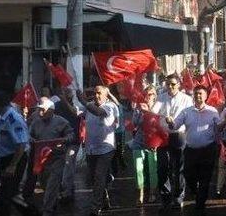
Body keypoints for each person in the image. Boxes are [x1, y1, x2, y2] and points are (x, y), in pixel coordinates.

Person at [170, 85, 219, 215]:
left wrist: (224, 124)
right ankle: (196, 191)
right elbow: (175, 125)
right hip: (191, 150)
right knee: (188, 175)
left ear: (206, 96)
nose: (198, 96)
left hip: (208, 149)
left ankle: (200, 204)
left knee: (205, 178)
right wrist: (170, 122)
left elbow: (219, 127)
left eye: (201, 94)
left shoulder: (213, 111)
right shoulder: (186, 111)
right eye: (196, 93)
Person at [152, 73, 193, 210]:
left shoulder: (186, 99)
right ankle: (165, 197)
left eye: (173, 84)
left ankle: (178, 197)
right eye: (168, 84)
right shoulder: (161, 97)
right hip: (163, 136)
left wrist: (174, 122)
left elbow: (188, 115)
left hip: (179, 135)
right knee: (163, 168)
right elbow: (154, 112)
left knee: (179, 168)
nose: (170, 87)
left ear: (179, 85)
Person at [77, 86, 119, 216]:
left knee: (98, 177)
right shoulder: (89, 105)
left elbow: (99, 112)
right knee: (98, 177)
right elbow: (77, 112)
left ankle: (95, 207)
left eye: (99, 93)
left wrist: (83, 101)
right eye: (95, 93)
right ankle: (104, 197)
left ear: (106, 95)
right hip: (91, 149)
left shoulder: (111, 106)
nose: (96, 95)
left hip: (106, 149)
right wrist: (66, 100)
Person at [29, 97, 74, 216]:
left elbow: (71, 135)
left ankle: (47, 210)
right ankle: (52, 201)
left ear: (51, 111)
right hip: (42, 159)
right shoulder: (36, 121)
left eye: (43, 110)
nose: (40, 112)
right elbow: (29, 135)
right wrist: (32, 140)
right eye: (39, 110)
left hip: (57, 157)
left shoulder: (62, 121)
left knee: (52, 183)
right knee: (44, 183)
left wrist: (64, 140)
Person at [0, 90, 30, 216]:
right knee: (12, 193)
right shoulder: (0, 117)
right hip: (5, 159)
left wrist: (13, 165)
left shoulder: (13, 118)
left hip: (14, 158)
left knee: (5, 195)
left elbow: (21, 144)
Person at [128, 85, 159, 205]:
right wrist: (139, 111)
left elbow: (158, 122)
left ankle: (152, 193)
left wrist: (149, 111)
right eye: (146, 94)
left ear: (155, 96)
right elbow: (134, 124)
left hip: (153, 142)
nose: (148, 96)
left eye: (151, 94)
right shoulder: (138, 107)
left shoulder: (158, 106)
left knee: (152, 168)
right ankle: (140, 193)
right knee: (138, 169)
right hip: (139, 141)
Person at [54, 87, 82, 202]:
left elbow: (75, 113)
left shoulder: (76, 106)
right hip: (60, 141)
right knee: (61, 166)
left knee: (68, 164)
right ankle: (65, 187)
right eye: (66, 93)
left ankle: (67, 191)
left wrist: (65, 100)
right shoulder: (56, 106)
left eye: (70, 93)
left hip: (73, 141)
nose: (68, 95)